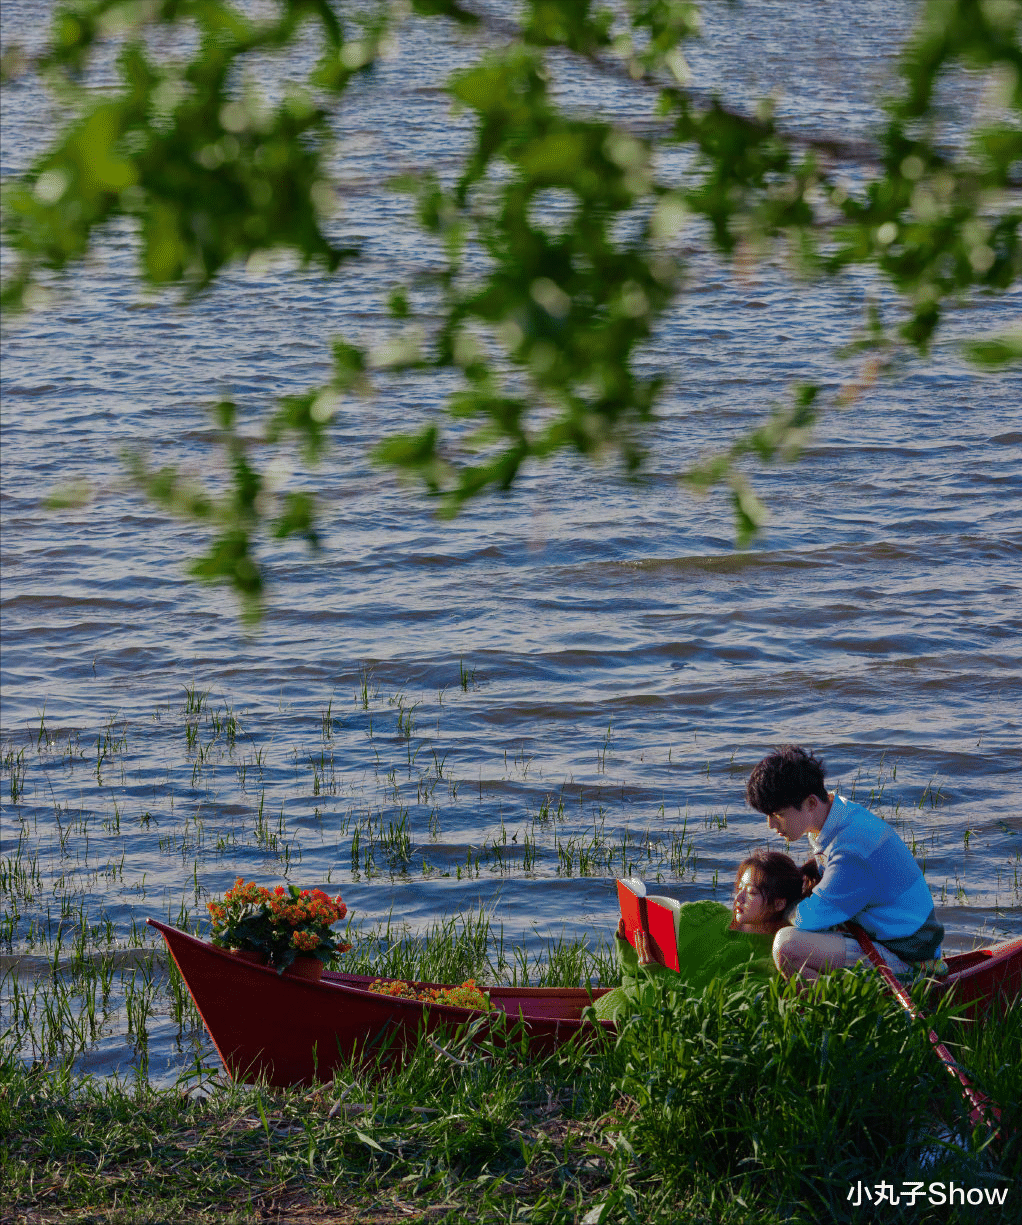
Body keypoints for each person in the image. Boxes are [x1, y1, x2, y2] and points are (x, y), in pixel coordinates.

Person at [745, 745, 944, 982]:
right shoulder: (836, 814)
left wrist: (782, 909)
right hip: (878, 935)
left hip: (909, 960)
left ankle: (824, 1012)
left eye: (777, 814)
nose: (771, 825)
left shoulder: (850, 849)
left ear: (810, 803)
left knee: (787, 946)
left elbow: (810, 919)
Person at [591, 850, 813, 1021]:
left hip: (661, 1019)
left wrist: (655, 973)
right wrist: (629, 942)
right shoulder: (703, 914)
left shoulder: (770, 958)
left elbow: (702, 1014)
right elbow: (633, 973)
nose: (739, 899)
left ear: (779, 903)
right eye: (739, 888)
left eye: (752, 893)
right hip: (632, 997)